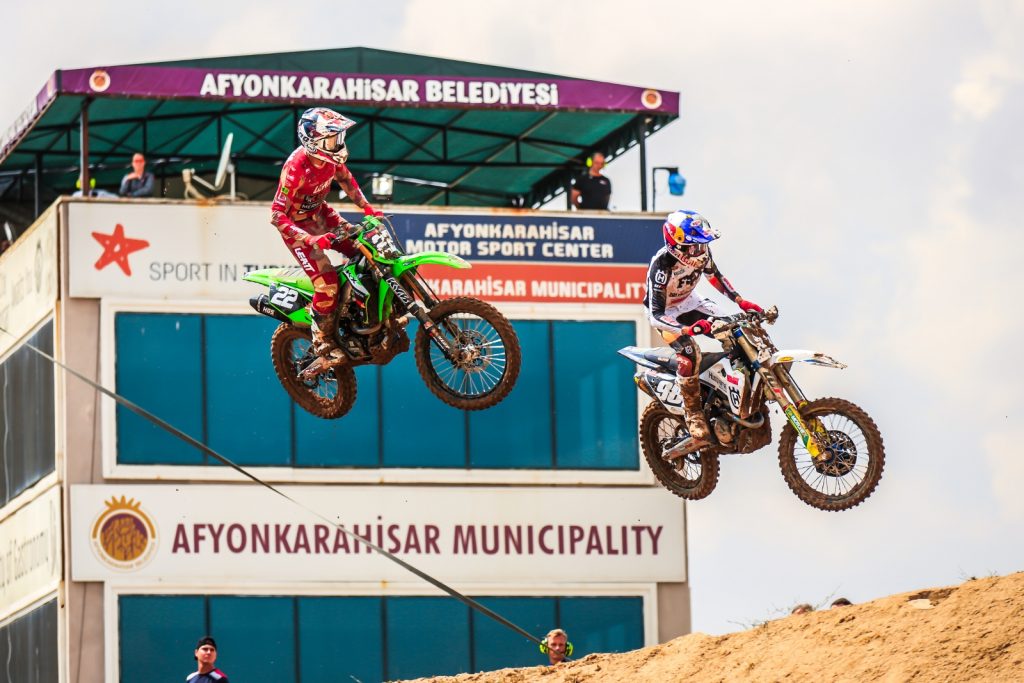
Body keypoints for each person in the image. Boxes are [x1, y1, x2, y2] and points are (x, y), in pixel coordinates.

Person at [643, 210, 763, 455]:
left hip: (691, 302)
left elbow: (715, 276)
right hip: (668, 314)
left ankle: (740, 391)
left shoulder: (702, 253)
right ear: (677, 245)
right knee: (689, 353)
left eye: (702, 245)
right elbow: (655, 313)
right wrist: (687, 329)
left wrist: (740, 301)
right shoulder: (662, 266)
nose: (700, 251)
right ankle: (694, 415)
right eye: (694, 246)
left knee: (735, 330)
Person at [270, 107, 382, 359]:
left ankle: (360, 313)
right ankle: (321, 340)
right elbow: (277, 214)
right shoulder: (295, 168)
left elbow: (346, 180)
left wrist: (367, 208)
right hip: (298, 230)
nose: (338, 144)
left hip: (321, 214)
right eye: (332, 140)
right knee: (327, 282)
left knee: (366, 250)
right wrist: (311, 239)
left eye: (339, 138)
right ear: (313, 140)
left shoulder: (332, 161)